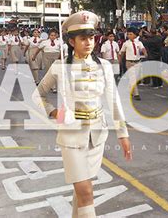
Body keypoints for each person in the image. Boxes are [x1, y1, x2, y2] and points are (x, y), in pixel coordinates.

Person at [33, 11, 132, 218]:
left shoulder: (104, 66)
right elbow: (37, 95)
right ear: (71, 41)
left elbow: (114, 101)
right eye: (83, 38)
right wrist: (54, 112)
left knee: (82, 192)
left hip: (97, 136)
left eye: (91, 37)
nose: (89, 42)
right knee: (86, 192)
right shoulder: (61, 66)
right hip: (71, 136)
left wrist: (123, 134)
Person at [119, 27, 147, 101]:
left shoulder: (139, 43)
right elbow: (122, 52)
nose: (129, 35)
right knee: (132, 78)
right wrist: (120, 60)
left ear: (135, 35)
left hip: (137, 62)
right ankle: (136, 94)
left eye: (131, 34)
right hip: (129, 62)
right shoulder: (126, 43)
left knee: (135, 78)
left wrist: (145, 53)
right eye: (128, 34)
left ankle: (129, 91)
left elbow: (143, 48)